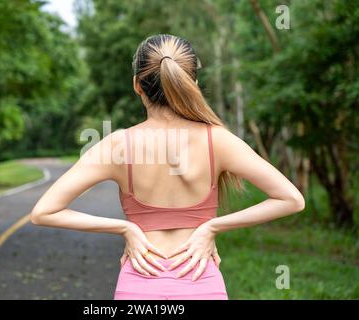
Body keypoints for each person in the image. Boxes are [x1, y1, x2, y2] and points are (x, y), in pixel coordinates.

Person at [30, 34, 305, 300]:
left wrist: (125, 229)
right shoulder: (218, 140)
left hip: (138, 285)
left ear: (137, 85)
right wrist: (211, 228)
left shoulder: (117, 145)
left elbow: (44, 212)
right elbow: (291, 199)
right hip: (202, 284)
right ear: (193, 82)